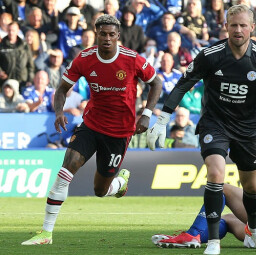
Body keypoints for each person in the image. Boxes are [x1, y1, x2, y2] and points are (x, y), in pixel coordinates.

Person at [146, 4, 256, 255]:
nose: (238, 30)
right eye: (233, 25)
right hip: (215, 123)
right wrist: (162, 119)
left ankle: (254, 229)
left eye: (243, 25)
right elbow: (183, 85)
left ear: (252, 28)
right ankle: (213, 241)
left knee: (252, 187)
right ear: (225, 26)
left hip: (247, 129)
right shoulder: (210, 55)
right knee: (216, 174)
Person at [21, 14, 162, 246]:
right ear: (96, 34)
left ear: (118, 36)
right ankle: (46, 233)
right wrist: (59, 112)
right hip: (91, 125)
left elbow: (156, 82)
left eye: (111, 35)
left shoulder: (132, 59)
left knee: (99, 190)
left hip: (119, 132)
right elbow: (61, 89)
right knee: (65, 171)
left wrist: (146, 114)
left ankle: (119, 184)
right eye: (102, 34)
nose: (107, 38)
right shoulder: (84, 59)